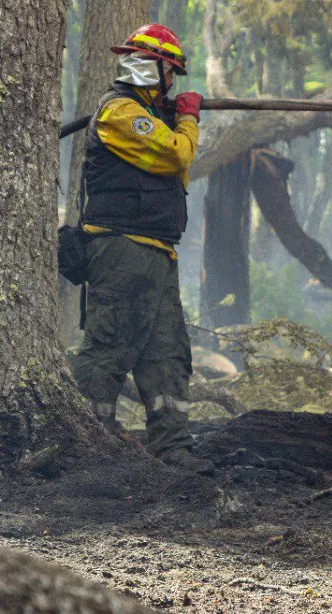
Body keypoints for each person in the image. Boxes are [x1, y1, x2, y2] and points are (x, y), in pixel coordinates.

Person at [70, 24, 213, 476]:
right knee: (109, 347)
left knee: (168, 353)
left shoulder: (146, 118)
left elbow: (172, 177)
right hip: (121, 249)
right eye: (172, 73)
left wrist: (172, 117)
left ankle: (172, 449)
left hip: (156, 251)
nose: (174, 83)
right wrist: (187, 119)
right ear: (154, 69)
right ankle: (88, 445)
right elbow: (176, 156)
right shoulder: (118, 114)